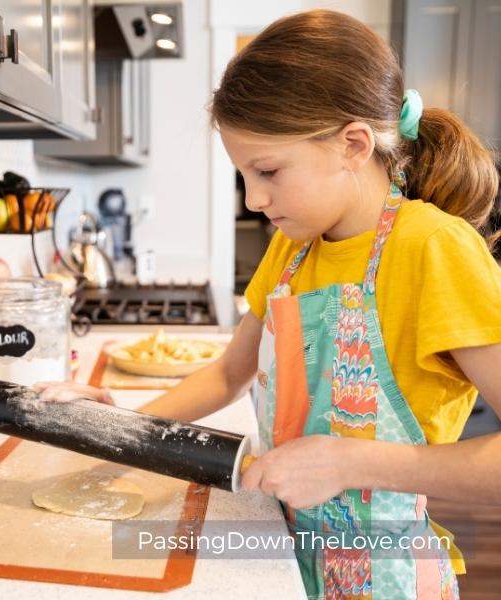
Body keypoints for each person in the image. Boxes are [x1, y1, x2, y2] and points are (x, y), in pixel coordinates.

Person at [36, 10, 501, 599]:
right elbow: (229, 374)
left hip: (385, 575)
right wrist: (115, 429)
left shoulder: (433, 249)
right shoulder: (293, 247)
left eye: (268, 171)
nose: (255, 199)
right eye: (243, 176)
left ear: (353, 145)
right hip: (282, 549)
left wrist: (350, 463)